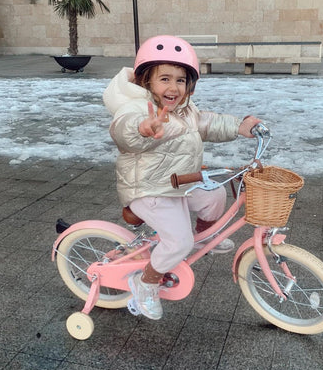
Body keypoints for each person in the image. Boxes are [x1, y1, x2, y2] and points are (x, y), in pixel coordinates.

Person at [103, 35, 261, 320]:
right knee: (178, 243)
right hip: (148, 189)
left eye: (180, 80)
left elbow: (209, 123)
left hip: (178, 183)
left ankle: (202, 237)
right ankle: (145, 283)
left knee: (214, 194)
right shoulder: (138, 108)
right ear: (146, 81)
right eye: (164, 78)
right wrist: (144, 128)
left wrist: (240, 126)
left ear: (189, 85)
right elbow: (123, 130)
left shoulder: (187, 111)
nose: (173, 87)